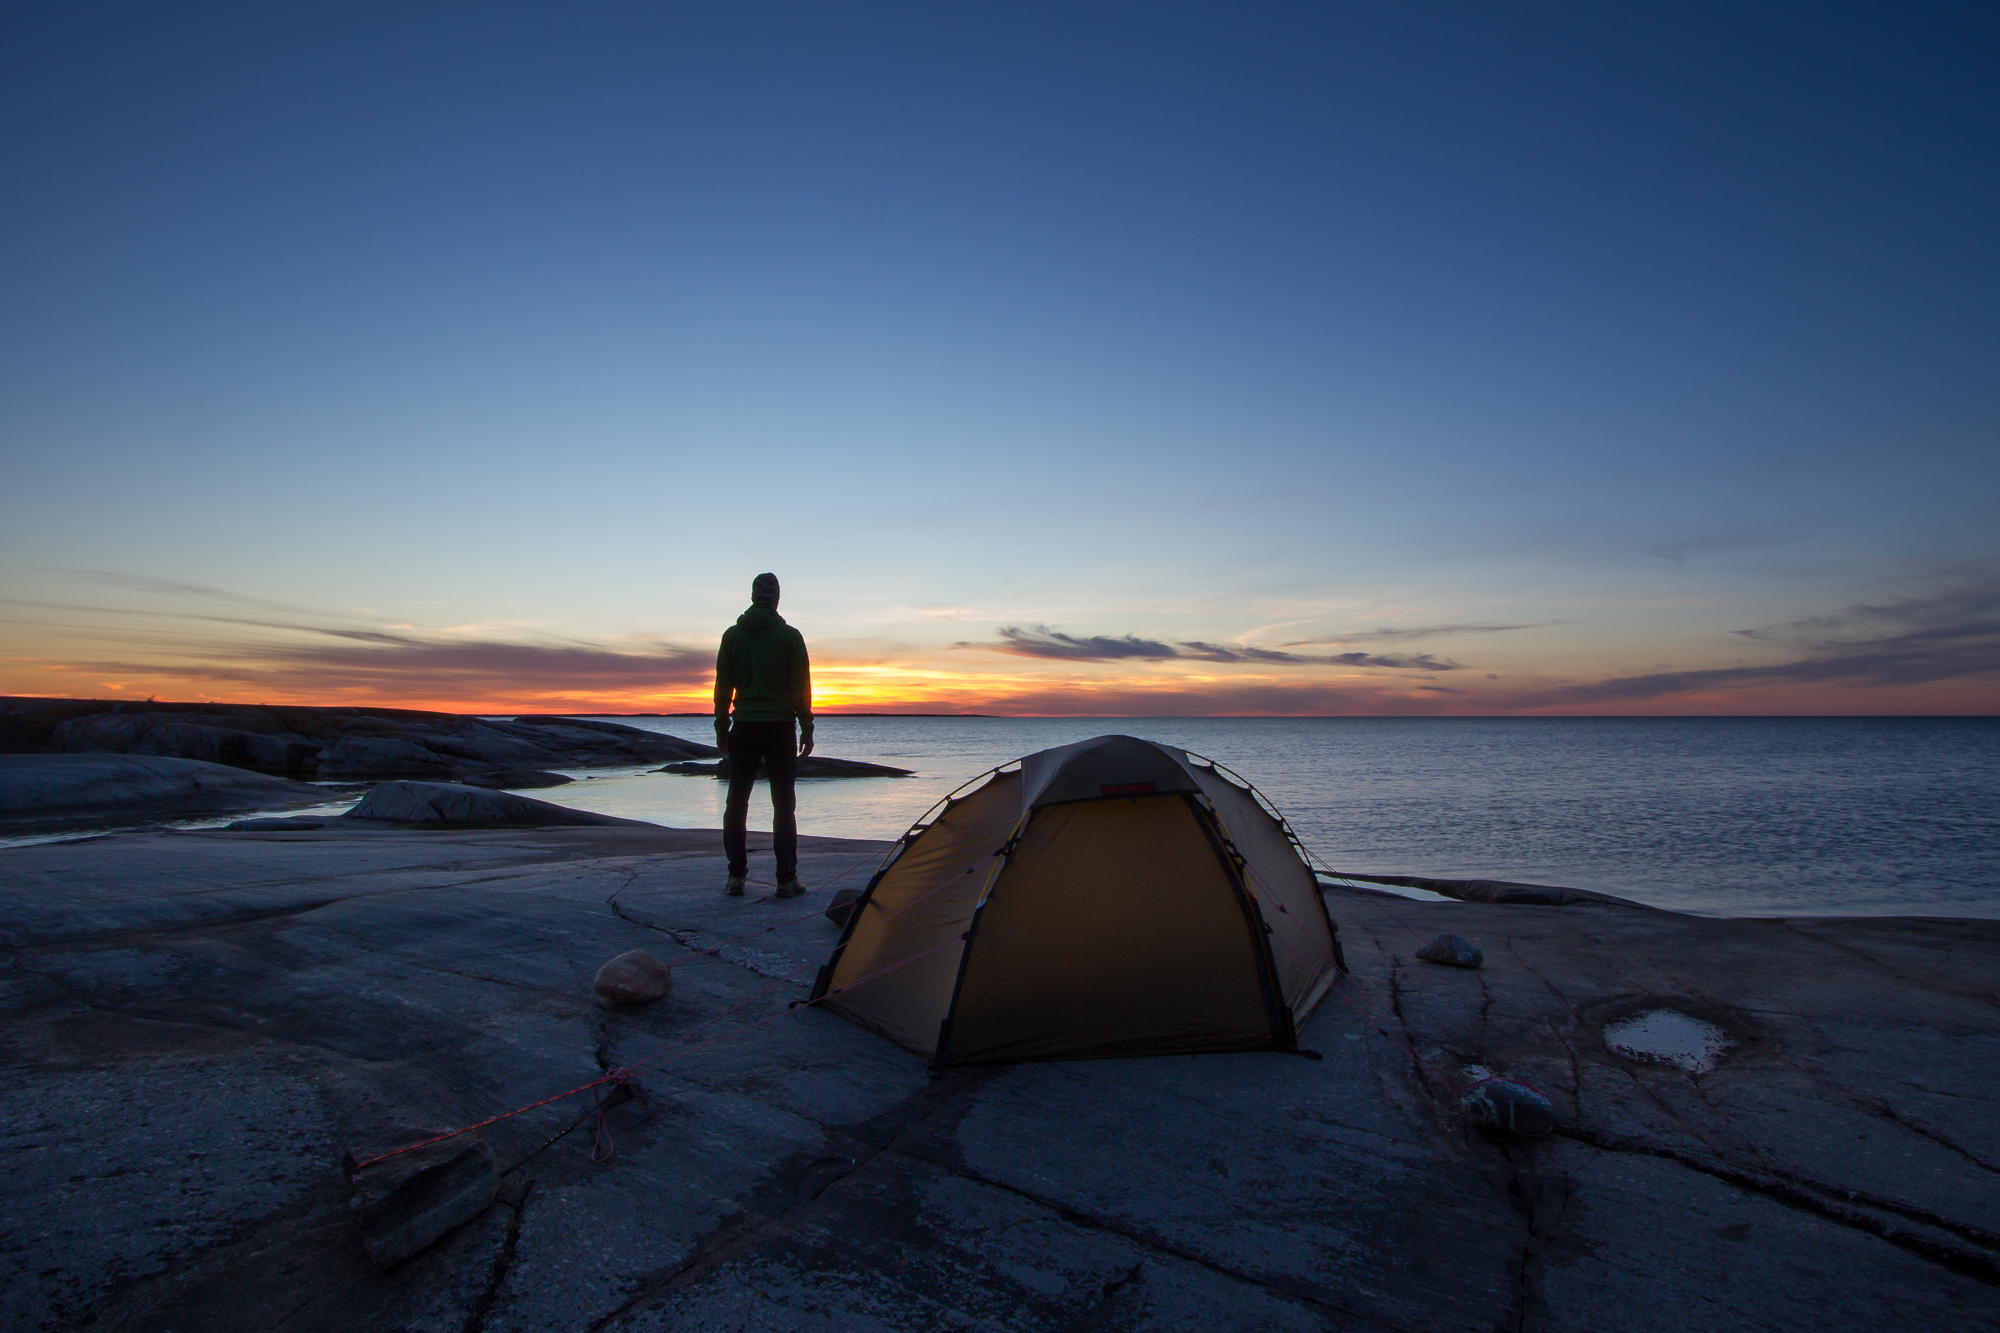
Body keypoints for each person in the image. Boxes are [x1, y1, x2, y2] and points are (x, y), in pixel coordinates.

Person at [713, 572, 814, 898]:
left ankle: (735, 877)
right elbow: (800, 689)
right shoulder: (790, 637)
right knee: (783, 806)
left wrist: (721, 726)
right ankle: (786, 880)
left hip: (744, 726)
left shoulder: (732, 636)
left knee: (736, 803)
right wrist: (807, 727)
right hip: (780, 728)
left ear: (754, 597)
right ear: (777, 599)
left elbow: (722, 687)